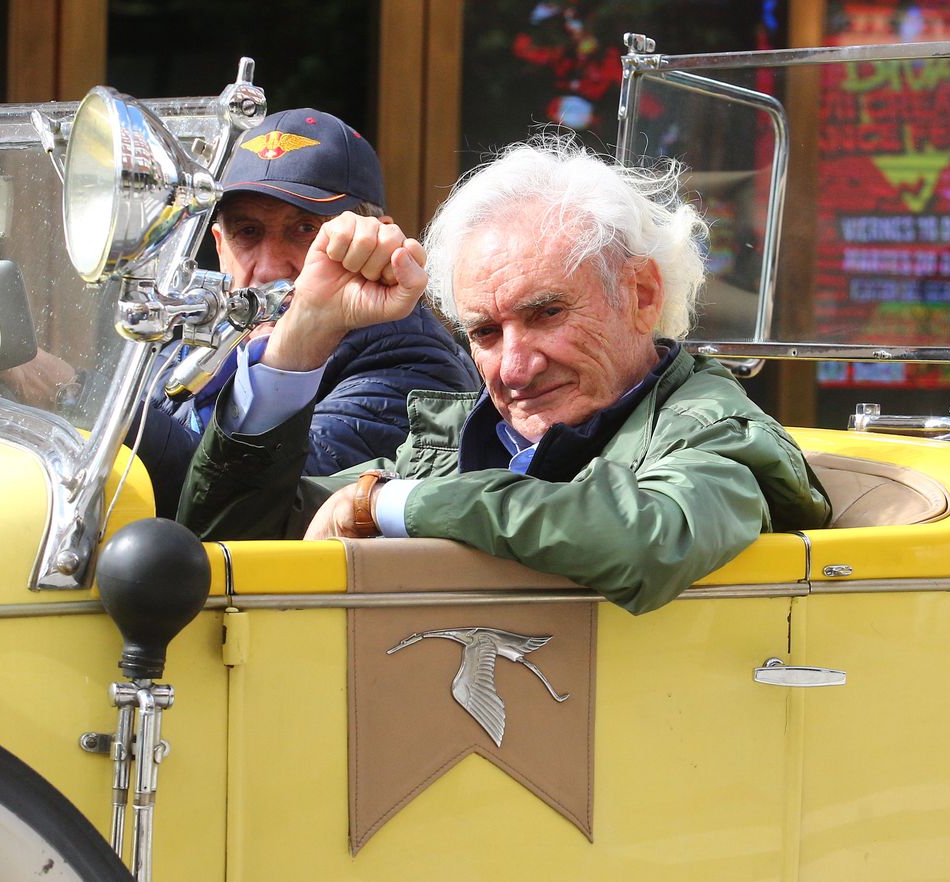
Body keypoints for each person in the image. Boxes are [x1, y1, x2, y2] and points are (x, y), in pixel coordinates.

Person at [177, 138, 832, 615]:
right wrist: (304, 334)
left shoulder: (712, 428)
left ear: (640, 295)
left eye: (547, 314)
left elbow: (649, 539)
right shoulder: (459, 435)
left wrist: (390, 504)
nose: (515, 368)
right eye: (485, 333)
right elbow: (232, 543)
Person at [128, 108, 479, 516]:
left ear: (376, 242)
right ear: (220, 247)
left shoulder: (414, 363)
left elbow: (265, 507)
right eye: (248, 232)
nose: (270, 268)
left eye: (305, 229)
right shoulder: (183, 344)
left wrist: (121, 426)